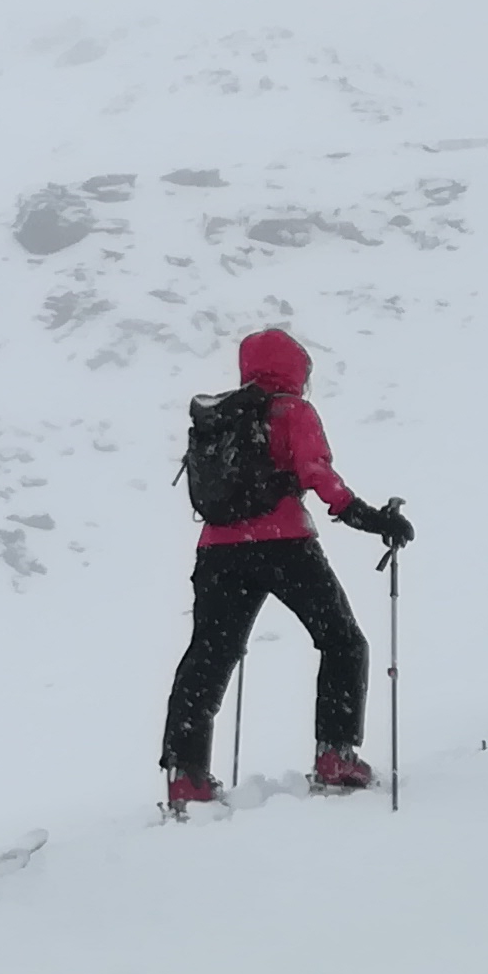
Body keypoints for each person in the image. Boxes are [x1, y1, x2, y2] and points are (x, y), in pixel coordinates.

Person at [159, 327, 412, 811]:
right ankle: (335, 755)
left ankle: (184, 774)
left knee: (209, 656)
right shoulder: (292, 411)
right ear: (296, 369)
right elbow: (319, 477)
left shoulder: (223, 418)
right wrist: (373, 519)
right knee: (342, 640)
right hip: (284, 543)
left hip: (217, 550)